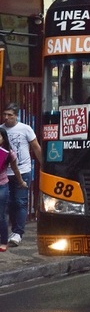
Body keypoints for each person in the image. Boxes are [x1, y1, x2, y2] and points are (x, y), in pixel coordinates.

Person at [1, 103, 43, 247]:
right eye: (4, 114)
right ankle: (10, 232)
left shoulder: (26, 129)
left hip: (23, 170)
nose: (6, 118)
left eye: (10, 115)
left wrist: (44, 164)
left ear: (16, 116)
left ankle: (18, 233)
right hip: (5, 173)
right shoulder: (1, 130)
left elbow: (36, 147)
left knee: (20, 201)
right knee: (8, 203)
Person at [0, 128, 27, 252]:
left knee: (1, 216)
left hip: (2, 186)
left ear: (3, 138)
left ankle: (3, 241)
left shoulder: (9, 153)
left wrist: (21, 182)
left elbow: (15, 169)